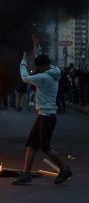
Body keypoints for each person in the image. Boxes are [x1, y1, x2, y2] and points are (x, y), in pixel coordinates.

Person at [12, 53, 72, 185]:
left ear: (44, 66)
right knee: (31, 144)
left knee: (45, 147)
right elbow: (41, 57)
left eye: (39, 67)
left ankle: (65, 169)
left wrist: (23, 61)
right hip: (43, 116)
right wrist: (36, 46)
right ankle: (26, 174)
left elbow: (25, 77)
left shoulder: (45, 77)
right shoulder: (52, 71)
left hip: (47, 117)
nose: (39, 69)